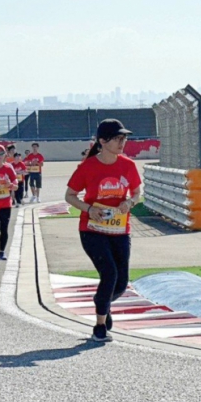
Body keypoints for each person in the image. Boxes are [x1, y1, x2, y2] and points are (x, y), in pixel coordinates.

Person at [65, 119, 142, 342]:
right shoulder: (87, 167)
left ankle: (102, 301)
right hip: (92, 230)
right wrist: (88, 209)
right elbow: (69, 195)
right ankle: (99, 325)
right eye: (118, 138)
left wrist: (130, 203)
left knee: (121, 282)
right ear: (102, 141)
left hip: (119, 230)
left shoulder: (128, 165)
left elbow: (137, 193)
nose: (122, 142)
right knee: (109, 273)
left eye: (124, 138)